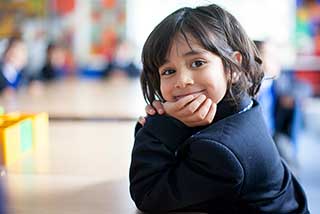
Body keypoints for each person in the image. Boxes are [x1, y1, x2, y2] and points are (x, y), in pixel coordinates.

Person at [129, 4, 309, 213]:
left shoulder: (220, 151)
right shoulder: (242, 107)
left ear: (232, 67)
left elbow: (149, 196)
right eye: (169, 71)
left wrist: (161, 127)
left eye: (197, 63)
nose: (183, 80)